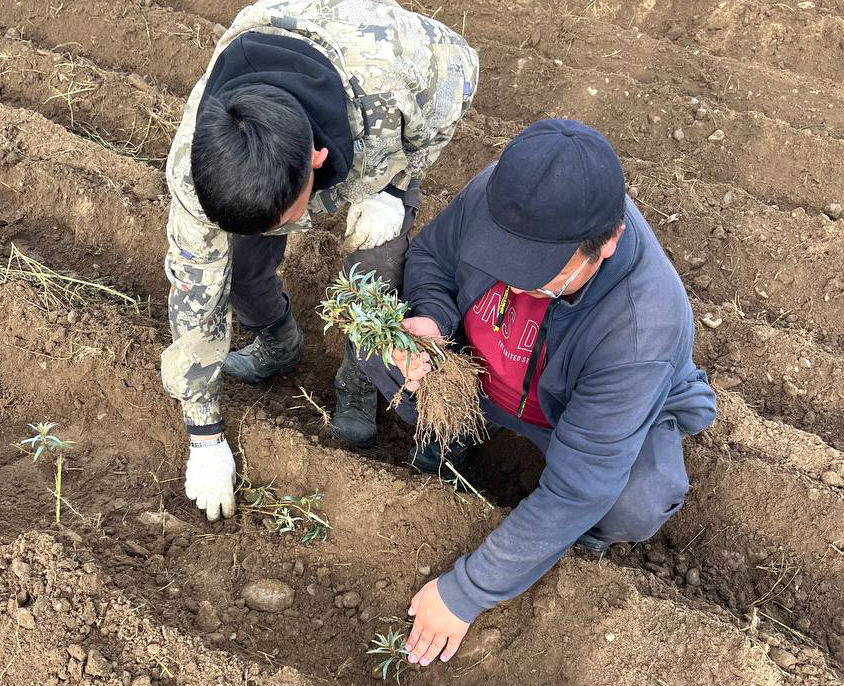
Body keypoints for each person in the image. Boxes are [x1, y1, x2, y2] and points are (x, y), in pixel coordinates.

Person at [355, 119, 718, 665]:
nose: (513, 280)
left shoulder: (641, 327)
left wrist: (466, 593)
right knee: (379, 349)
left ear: (609, 242)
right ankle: (458, 430)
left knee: (632, 501)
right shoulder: (507, 195)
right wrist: (430, 319)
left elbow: (579, 486)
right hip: (489, 371)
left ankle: (583, 538)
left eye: (536, 271)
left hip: (570, 413)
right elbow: (432, 256)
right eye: (502, 256)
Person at [160, 0, 479, 521]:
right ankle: (277, 340)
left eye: (282, 219)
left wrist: (396, 184)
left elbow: (458, 80)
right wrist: (203, 431)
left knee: (375, 273)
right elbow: (195, 298)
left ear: (317, 160)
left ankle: (360, 380)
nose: (280, 232)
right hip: (303, 123)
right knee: (237, 265)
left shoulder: (400, 71)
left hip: (376, 123)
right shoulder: (199, 163)